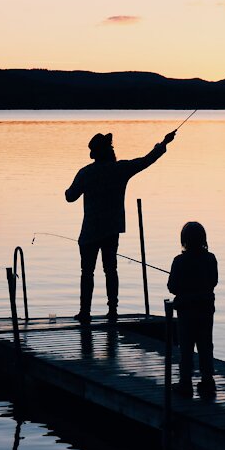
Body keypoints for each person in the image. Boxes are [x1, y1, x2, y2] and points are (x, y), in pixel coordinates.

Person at [65, 129, 176, 323]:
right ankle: (113, 310)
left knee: (87, 273)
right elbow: (146, 161)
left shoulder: (86, 173)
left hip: (90, 231)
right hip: (111, 230)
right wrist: (163, 144)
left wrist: (72, 188)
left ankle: (85, 312)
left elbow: (70, 196)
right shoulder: (120, 169)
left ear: (94, 153)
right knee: (111, 270)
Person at [167, 221, 218, 398]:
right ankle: (208, 380)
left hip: (186, 311)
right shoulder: (210, 259)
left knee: (186, 347)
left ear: (184, 240)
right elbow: (214, 281)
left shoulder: (179, 261)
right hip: (205, 310)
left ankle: (185, 382)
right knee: (205, 345)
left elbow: (172, 287)